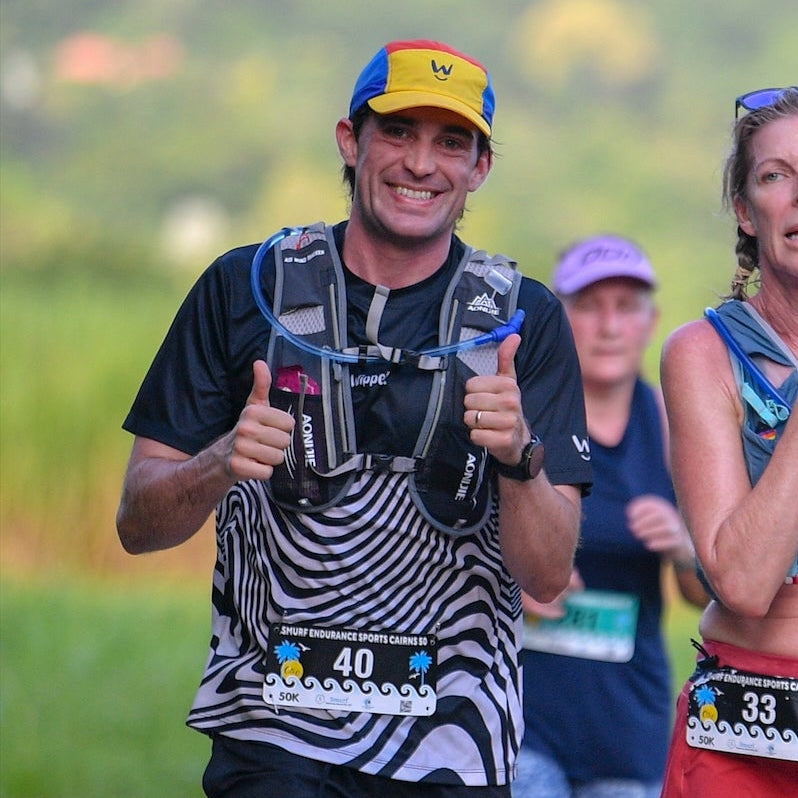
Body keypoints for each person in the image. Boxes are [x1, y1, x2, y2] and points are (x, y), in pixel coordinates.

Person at [116, 39, 593, 797]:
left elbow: (546, 575)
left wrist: (519, 455)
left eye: (451, 141)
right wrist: (222, 458)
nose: (420, 163)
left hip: (453, 743)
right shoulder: (245, 287)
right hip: (273, 729)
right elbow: (138, 526)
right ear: (350, 139)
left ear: (480, 168)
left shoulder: (524, 319)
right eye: (398, 131)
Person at [511, 235, 707, 798]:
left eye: (626, 307)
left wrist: (681, 545)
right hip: (523, 724)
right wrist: (515, 576)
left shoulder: (674, 426)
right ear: (557, 317)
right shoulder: (518, 423)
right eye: (589, 307)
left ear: (652, 321)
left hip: (626, 734)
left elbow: (705, 594)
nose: (609, 326)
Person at [658, 86, 798, 797]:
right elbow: (741, 583)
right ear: (746, 211)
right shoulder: (703, 354)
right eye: (777, 176)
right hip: (748, 729)